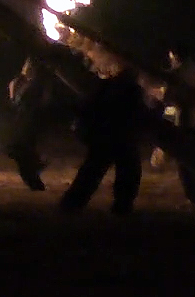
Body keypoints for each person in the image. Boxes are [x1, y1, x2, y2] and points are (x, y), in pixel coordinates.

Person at [59, 62, 151, 214]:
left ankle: (72, 204)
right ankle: (121, 206)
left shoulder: (107, 87)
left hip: (107, 136)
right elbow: (137, 112)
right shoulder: (130, 90)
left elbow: (90, 107)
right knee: (125, 171)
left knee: (93, 171)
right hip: (119, 136)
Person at [162, 49, 195, 204]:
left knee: (186, 163)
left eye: (171, 57)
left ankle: (193, 197)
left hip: (185, 123)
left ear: (176, 56)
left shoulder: (175, 74)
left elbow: (168, 98)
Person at [6, 57, 54, 191]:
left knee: (25, 149)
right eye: (28, 67)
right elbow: (15, 101)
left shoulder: (38, 84)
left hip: (31, 119)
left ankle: (35, 175)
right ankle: (34, 176)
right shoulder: (19, 82)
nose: (29, 69)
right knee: (22, 150)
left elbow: (45, 101)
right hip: (23, 119)